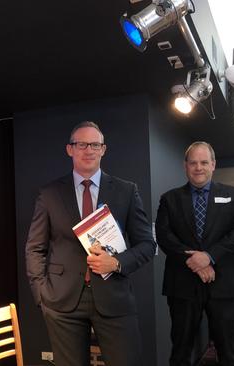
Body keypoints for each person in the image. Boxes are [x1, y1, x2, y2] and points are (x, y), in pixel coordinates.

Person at [25, 121, 156, 366]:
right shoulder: (49, 193)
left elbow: (147, 245)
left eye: (95, 144)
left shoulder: (126, 191)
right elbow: (34, 248)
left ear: (103, 150)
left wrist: (116, 263)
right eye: (81, 144)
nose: (88, 150)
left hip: (114, 296)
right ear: (69, 149)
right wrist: (41, 294)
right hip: (62, 301)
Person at [156, 141, 234, 366]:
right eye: (193, 163)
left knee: (228, 350)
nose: (199, 167)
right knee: (181, 350)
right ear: (185, 166)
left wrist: (209, 256)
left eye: (204, 162)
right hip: (183, 285)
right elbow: (164, 236)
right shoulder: (169, 199)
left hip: (224, 285)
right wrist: (195, 261)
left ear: (213, 165)